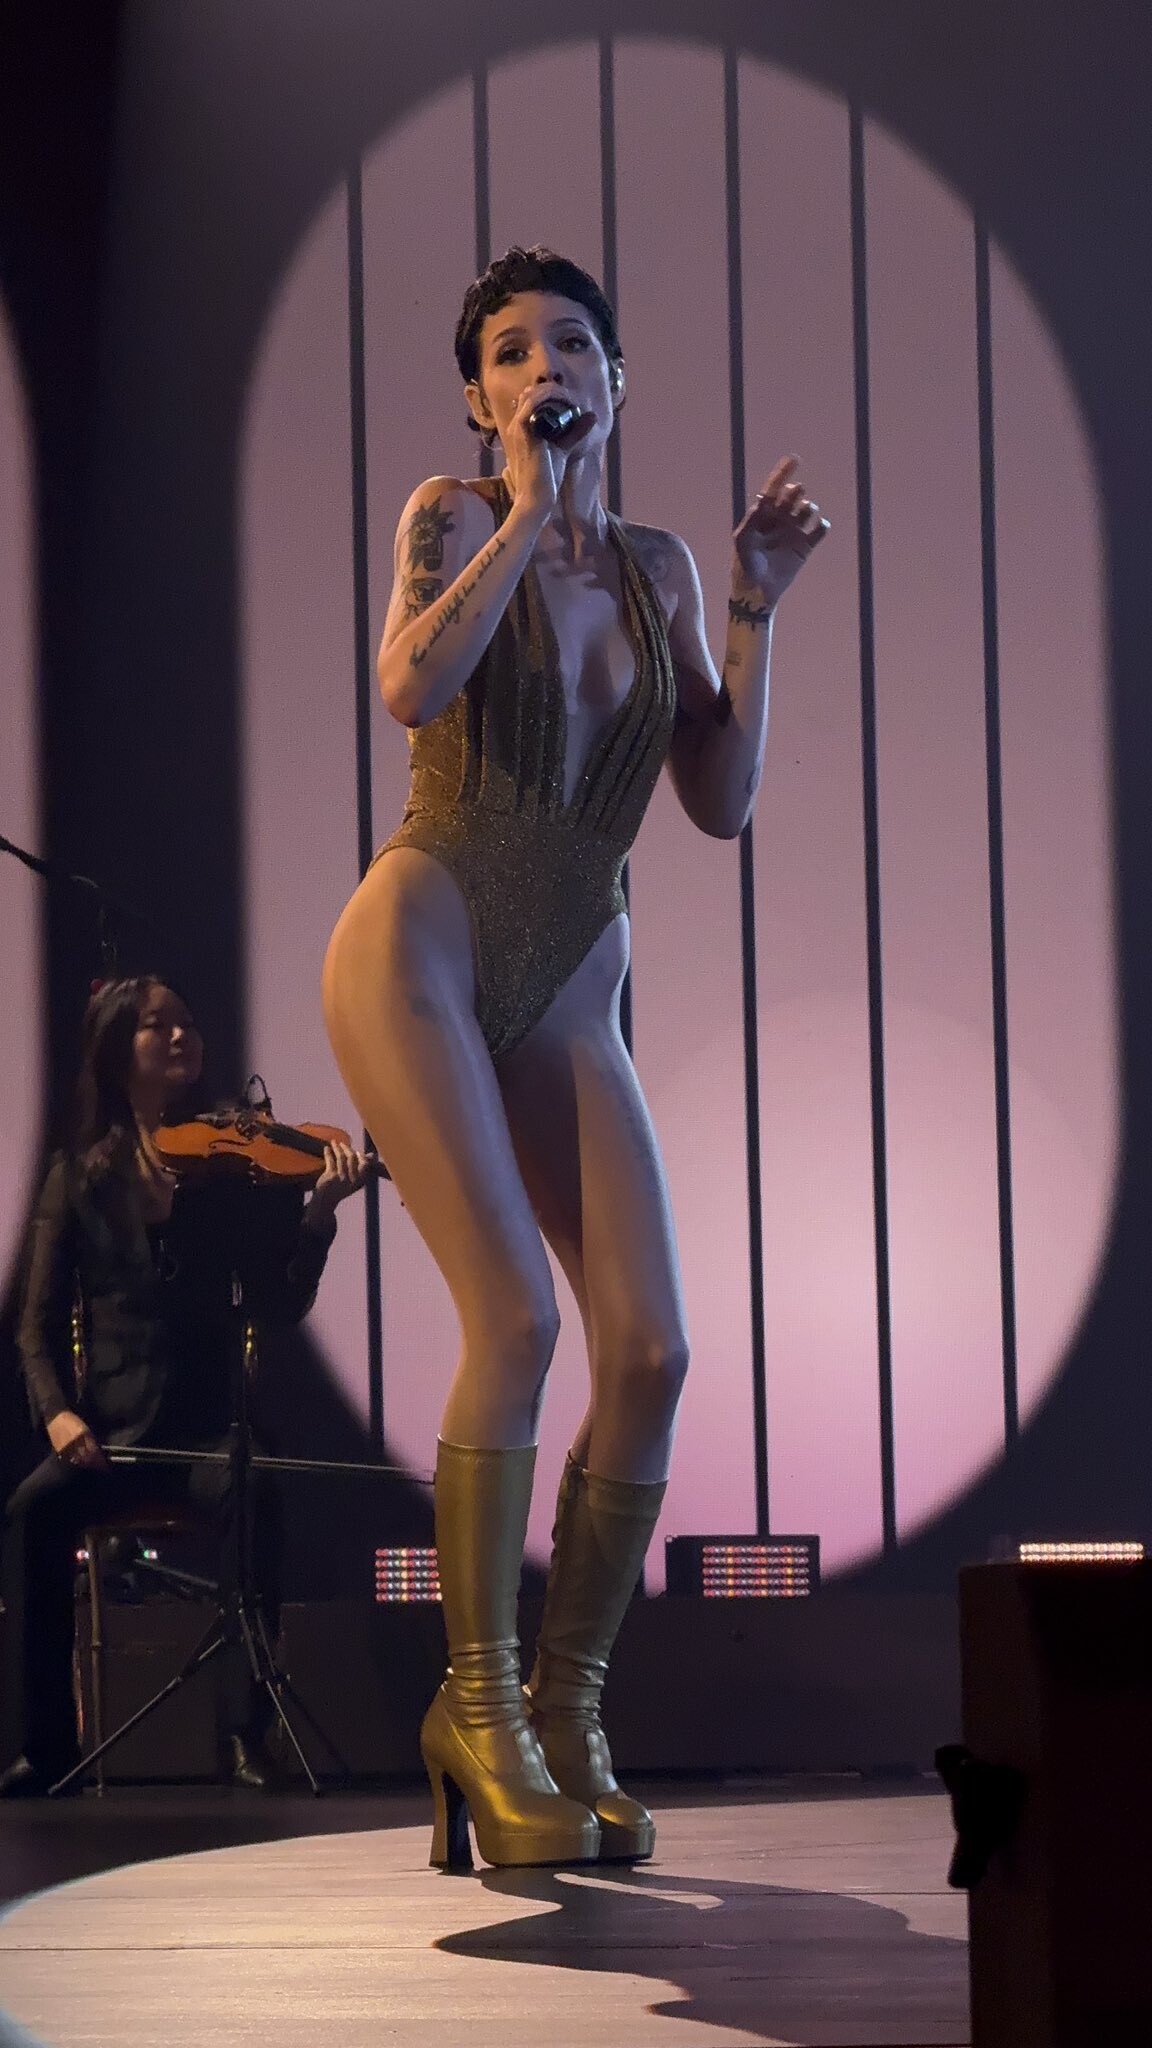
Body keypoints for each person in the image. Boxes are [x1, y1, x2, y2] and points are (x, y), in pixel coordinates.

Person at [322, 245, 827, 1869]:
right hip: (424, 935)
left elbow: (720, 802)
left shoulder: (660, 566)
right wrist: (528, 512)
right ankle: (471, 1710)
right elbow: (408, 683)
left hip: (572, 980)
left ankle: (566, 1707)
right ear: (480, 397)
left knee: (652, 1353)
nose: (545, 369)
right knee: (519, 1319)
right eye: (511, 351)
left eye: (572, 346)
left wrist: (753, 604)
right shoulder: (452, 515)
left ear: (615, 380)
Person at [0, 976, 369, 1798]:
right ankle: (47, 1745)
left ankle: (244, 1731)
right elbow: (35, 1323)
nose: (180, 1037)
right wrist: (57, 1414)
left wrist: (317, 1218)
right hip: (112, 1437)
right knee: (31, 1511)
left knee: (253, 1487)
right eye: (157, 1026)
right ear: (115, 1049)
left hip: (206, 1432)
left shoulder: (231, 1169)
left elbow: (277, 1304)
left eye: (188, 1025)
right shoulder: (77, 1177)